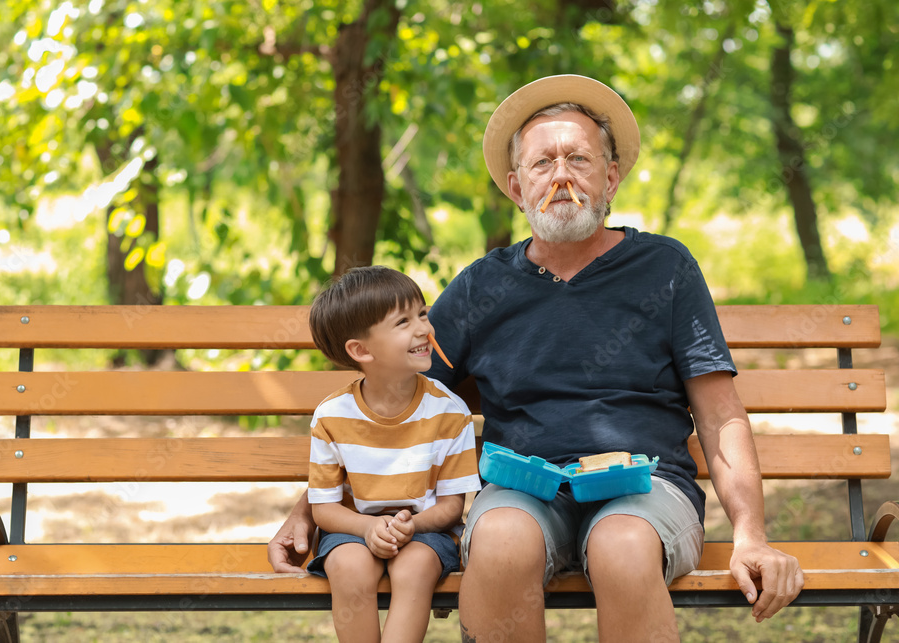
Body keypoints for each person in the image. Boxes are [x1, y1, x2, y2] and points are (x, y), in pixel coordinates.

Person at [269, 75, 804, 642]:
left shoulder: (665, 268)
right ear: (517, 188)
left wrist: (750, 533)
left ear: (611, 178)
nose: (562, 176)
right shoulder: (482, 286)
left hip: (644, 491)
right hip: (521, 489)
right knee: (499, 541)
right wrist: (308, 508)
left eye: (579, 158)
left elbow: (721, 416)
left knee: (621, 547)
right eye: (542, 164)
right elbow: (392, 397)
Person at [303, 265, 481, 643]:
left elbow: (451, 507)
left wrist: (410, 528)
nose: (424, 329)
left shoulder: (449, 411)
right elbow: (324, 509)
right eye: (403, 322)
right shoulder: (332, 416)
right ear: (361, 350)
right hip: (351, 530)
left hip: (426, 531)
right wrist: (368, 528)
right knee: (349, 568)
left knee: (414, 568)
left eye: (422, 313)